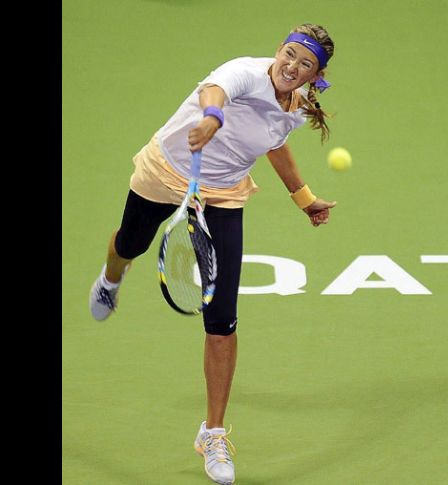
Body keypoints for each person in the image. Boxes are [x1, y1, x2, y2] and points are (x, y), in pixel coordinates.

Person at [88, 23, 337, 485]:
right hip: (166, 171)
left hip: (223, 194)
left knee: (222, 318)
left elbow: (275, 145)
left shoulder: (296, 104)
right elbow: (215, 91)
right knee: (130, 244)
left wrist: (303, 199)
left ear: (314, 76)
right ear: (278, 50)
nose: (291, 67)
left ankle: (213, 432)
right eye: (288, 54)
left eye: (305, 64)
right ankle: (111, 278)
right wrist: (212, 118)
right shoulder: (244, 72)